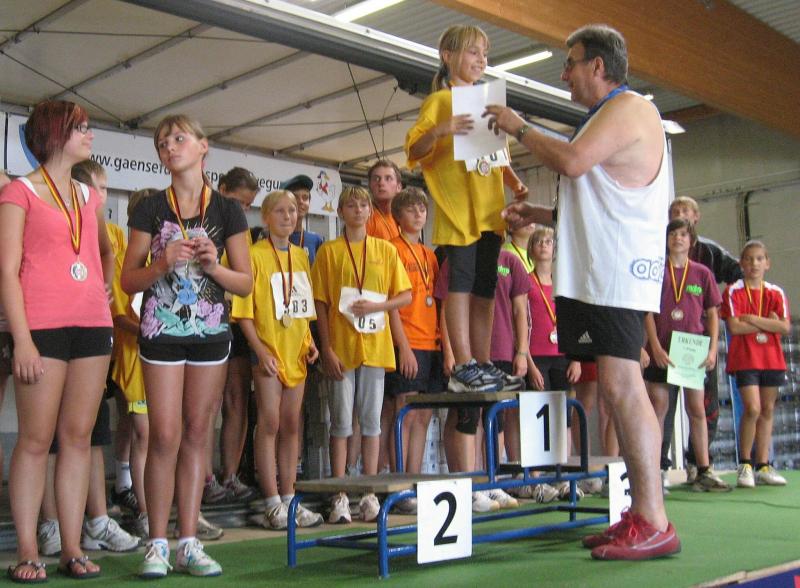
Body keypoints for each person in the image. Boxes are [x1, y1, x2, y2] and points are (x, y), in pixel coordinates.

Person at [484, 24, 680, 560]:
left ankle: (654, 518)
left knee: (623, 386)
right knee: (618, 388)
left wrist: (519, 126)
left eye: (570, 63)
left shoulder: (631, 107)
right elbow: (606, 193)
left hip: (617, 272)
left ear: (598, 66)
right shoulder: (608, 116)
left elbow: (572, 162)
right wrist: (545, 213)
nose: (564, 73)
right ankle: (642, 512)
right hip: (602, 271)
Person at [122, 114, 252, 579]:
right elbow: (127, 279)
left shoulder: (228, 210)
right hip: (161, 332)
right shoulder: (150, 208)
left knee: (198, 433)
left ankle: (189, 542)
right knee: (164, 436)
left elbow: (246, 283)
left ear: (203, 146)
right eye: (162, 143)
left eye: (179, 138)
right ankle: (157, 542)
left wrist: (215, 267)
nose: (170, 147)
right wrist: (160, 264)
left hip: (211, 335)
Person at [0, 100, 115, 581]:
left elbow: (103, 251)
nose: (89, 133)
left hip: (93, 327)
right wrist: (22, 340)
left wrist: (104, 288)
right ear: (53, 134)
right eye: (80, 127)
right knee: (34, 440)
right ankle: (28, 549)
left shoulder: (88, 195)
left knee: (78, 439)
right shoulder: (18, 192)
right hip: (41, 328)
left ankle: (72, 546)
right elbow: (6, 271)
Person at [405, 24, 527, 394]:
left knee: (486, 287)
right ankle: (462, 364)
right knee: (461, 282)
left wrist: (514, 183)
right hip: (459, 212)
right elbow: (414, 150)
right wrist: (440, 130)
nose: (481, 60)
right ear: (448, 56)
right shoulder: (440, 101)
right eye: (473, 52)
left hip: (490, 211)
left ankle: (483, 362)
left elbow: (497, 155)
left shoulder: (487, 103)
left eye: (484, 54)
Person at [311, 185, 411, 524]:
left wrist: (377, 306)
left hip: (376, 346)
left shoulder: (385, 249)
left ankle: (369, 493)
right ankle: (339, 494)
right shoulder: (329, 251)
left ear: (370, 211)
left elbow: (405, 295)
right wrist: (326, 347)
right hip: (341, 346)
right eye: (351, 205)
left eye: (363, 205)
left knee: (371, 421)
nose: (358, 210)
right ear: (340, 212)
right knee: (341, 421)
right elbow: (320, 302)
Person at [232, 189, 323, 530]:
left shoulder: (300, 256)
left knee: (291, 424)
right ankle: (271, 500)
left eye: (293, 211)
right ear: (265, 217)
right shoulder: (253, 255)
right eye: (280, 211)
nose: (288, 216)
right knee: (268, 423)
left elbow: (302, 306)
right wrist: (259, 350)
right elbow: (243, 312)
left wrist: (310, 341)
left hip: (296, 351)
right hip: (268, 351)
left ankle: (290, 497)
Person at [437, 246, 526, 512]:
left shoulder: (505, 259)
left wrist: (521, 351)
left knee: (494, 419)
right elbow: (445, 306)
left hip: (497, 353)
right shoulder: (457, 257)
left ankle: (490, 480)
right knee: (467, 416)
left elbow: (520, 309)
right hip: (465, 358)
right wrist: (450, 352)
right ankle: (469, 484)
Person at [643, 219, 730, 493]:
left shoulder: (702, 273)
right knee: (658, 408)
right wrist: (654, 347)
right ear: (666, 239)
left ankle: (703, 469)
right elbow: (647, 312)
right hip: (663, 351)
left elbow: (713, 314)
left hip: (692, 350)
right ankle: (656, 469)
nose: (678, 238)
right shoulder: (656, 270)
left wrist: (712, 349)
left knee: (697, 409)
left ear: (691, 241)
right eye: (673, 234)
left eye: (683, 234)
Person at [665, 196, 743, 483]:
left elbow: (739, 274)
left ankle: (698, 463)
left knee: (702, 404)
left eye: (686, 211)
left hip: (697, 339)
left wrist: (730, 309)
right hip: (664, 338)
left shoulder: (709, 253)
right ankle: (659, 464)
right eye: (675, 211)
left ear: (696, 217)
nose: (681, 214)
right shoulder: (658, 254)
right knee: (662, 405)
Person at [384, 187, 444, 513]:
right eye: (411, 209)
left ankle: (415, 481)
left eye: (422, 208)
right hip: (407, 342)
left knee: (423, 416)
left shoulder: (429, 255)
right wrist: (403, 347)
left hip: (431, 343)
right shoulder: (391, 249)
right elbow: (391, 304)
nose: (419, 213)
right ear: (398, 215)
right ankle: (399, 486)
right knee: (404, 414)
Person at [203, 166, 260, 506]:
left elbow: (246, 280)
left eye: (248, 205)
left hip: (239, 323)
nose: (242, 210)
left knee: (237, 401)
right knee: (207, 405)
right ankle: (204, 478)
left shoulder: (243, 232)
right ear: (221, 189)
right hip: (208, 320)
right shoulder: (204, 222)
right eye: (238, 202)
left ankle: (230, 475)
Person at [110, 188, 159, 540]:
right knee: (142, 433)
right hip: (133, 359)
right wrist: (147, 331)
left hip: (164, 360)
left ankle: (156, 506)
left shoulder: (165, 257)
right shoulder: (122, 259)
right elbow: (117, 314)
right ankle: (143, 511)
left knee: (157, 434)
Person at [721, 240, 790, 488]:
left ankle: (763, 465)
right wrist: (768, 323)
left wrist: (751, 318)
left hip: (771, 358)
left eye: (760, 259)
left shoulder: (775, 292)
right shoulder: (733, 291)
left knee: (768, 409)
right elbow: (734, 326)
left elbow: (784, 327)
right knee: (752, 408)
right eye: (749, 259)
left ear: (767, 263)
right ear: (742, 263)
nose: (754, 264)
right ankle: (745, 464)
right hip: (746, 358)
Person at [366, 159, 403, 241]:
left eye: (388, 178)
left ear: (399, 187)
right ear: (369, 186)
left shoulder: (404, 218)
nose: (381, 183)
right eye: (376, 179)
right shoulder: (364, 218)